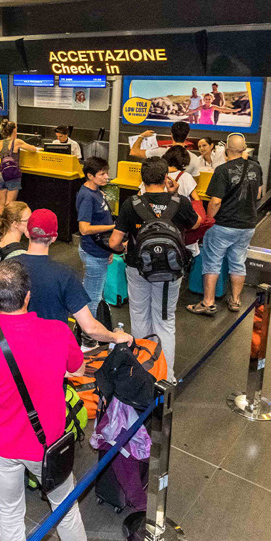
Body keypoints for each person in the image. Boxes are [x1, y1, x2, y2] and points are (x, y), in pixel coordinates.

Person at [0, 259, 92, 541]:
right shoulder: (58, 331)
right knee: (65, 508)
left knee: (9, 512)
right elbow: (78, 368)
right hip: (48, 440)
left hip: (1, 441)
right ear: (28, 295)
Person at [109, 158, 200, 382]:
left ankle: (142, 371)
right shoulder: (180, 202)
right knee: (165, 321)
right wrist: (179, 195)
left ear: (142, 178)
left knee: (139, 316)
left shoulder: (132, 204)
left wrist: (125, 249)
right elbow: (197, 223)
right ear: (165, 177)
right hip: (170, 271)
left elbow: (114, 242)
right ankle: (166, 377)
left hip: (137, 267)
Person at [13, 209, 132, 346]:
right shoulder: (65, 275)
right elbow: (90, 328)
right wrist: (115, 337)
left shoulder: (6, 268)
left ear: (27, 233)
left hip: (13, 350)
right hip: (51, 353)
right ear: (54, 238)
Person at [189, 133, 263, 316]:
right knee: (238, 263)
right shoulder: (256, 168)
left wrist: (208, 219)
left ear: (227, 151)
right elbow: (259, 195)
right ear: (244, 149)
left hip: (224, 225)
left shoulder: (223, 170)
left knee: (212, 263)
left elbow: (215, 202)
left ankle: (208, 303)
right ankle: (236, 301)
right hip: (247, 225)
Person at [76, 157, 115, 322]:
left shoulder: (97, 191)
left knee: (90, 290)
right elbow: (84, 229)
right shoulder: (87, 196)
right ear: (90, 176)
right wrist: (112, 228)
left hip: (100, 250)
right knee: (94, 297)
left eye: (106, 173)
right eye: (102, 174)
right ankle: (88, 336)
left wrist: (110, 249)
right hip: (93, 252)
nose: (106, 177)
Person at [129, 121, 207, 175]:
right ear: (187, 136)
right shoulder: (194, 158)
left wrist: (141, 136)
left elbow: (133, 152)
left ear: (171, 135)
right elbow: (195, 183)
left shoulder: (159, 152)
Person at [0, 121, 34, 214]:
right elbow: (33, 149)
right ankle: (8, 226)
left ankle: (0, 224)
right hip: (12, 175)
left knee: (2, 203)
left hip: (2, 174)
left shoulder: (0, 143)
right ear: (14, 130)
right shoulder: (17, 142)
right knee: (10, 204)